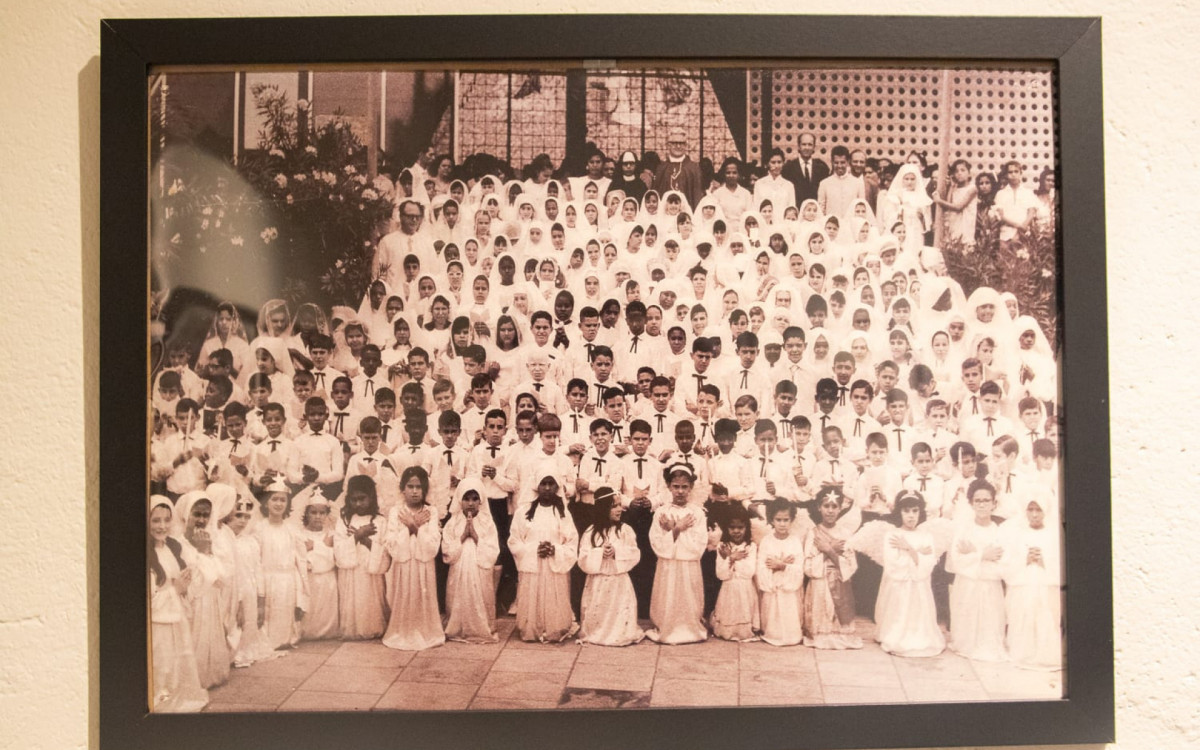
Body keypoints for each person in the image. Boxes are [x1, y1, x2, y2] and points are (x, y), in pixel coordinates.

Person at [148, 498, 209, 713]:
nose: (162, 526)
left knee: (177, 661)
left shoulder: (172, 547)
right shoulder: (146, 554)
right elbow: (150, 598)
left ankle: (175, 695)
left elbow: (180, 581)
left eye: (166, 520)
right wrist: (176, 590)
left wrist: (186, 582)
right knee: (162, 664)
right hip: (158, 623)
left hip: (176, 617)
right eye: (155, 520)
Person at [509, 475, 580, 643]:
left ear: (557, 487)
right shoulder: (523, 513)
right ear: (536, 486)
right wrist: (534, 550)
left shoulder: (563, 514)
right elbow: (514, 540)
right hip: (532, 566)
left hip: (554, 566)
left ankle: (553, 627)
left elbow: (571, 542)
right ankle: (531, 628)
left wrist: (555, 549)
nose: (547, 488)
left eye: (551, 484)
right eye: (543, 483)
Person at [382, 466, 445, 651]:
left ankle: (426, 631)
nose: (415, 491)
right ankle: (403, 631)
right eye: (410, 486)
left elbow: (433, 543)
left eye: (419, 487)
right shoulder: (396, 511)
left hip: (423, 563)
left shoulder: (431, 511)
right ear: (403, 489)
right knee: (405, 594)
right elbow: (391, 543)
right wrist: (410, 526)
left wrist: (415, 528)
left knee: (422, 594)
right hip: (404, 564)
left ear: (425, 489)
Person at [874, 492, 945, 657]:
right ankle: (895, 633)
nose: (911, 516)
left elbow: (928, 565)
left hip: (919, 587)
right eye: (907, 511)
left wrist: (908, 549)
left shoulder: (926, 536)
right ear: (900, 512)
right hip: (899, 586)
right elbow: (893, 566)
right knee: (898, 619)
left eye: (915, 511)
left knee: (921, 624)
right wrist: (917, 555)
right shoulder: (892, 535)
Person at [946, 479, 1008, 662]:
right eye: (978, 500)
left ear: (994, 504)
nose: (982, 504)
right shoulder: (964, 528)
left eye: (986, 500)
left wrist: (973, 553)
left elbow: (1000, 560)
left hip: (990, 586)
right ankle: (965, 643)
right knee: (967, 622)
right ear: (971, 503)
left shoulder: (999, 531)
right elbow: (957, 559)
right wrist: (982, 555)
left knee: (990, 624)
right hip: (968, 584)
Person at [647, 466, 709, 644]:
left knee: (688, 596)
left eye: (684, 487)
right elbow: (657, 543)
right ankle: (666, 625)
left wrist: (676, 529)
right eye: (676, 486)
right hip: (668, 566)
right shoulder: (661, 512)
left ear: (690, 488)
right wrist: (677, 530)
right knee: (668, 594)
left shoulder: (697, 513)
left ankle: (689, 626)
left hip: (688, 566)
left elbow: (698, 545)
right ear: (668, 486)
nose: (680, 491)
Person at [577, 487, 645, 646]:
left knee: (619, 611)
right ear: (603, 508)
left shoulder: (625, 530)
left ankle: (619, 631)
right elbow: (583, 557)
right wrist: (600, 553)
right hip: (598, 582)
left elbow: (634, 553)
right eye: (614, 506)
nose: (619, 509)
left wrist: (617, 552)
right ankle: (597, 631)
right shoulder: (590, 532)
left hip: (618, 581)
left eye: (620, 505)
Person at [1002, 496, 1063, 671]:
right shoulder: (1018, 534)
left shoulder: (1054, 534)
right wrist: (1025, 559)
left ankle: (1045, 655)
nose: (1034, 514)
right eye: (1031, 510)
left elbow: (1061, 562)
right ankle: (1023, 653)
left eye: (1038, 510)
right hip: (1023, 582)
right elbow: (1007, 563)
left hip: (1045, 583)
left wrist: (1044, 561)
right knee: (1024, 612)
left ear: (1046, 511)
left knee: (1045, 615)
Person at [802, 487, 863, 649]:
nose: (830, 511)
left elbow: (851, 565)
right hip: (820, 581)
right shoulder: (813, 533)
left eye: (834, 506)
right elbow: (808, 566)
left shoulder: (845, 533)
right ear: (819, 508)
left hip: (840, 580)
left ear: (840, 508)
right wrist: (827, 551)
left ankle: (840, 633)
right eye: (826, 506)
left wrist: (828, 550)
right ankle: (820, 633)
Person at [442, 479, 501, 643]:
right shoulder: (452, 522)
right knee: (458, 595)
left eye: (475, 499)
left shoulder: (487, 522)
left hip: (480, 569)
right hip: (459, 567)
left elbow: (492, 550)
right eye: (466, 499)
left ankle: (482, 627)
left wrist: (475, 536)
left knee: (481, 593)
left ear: (481, 501)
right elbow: (446, 550)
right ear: (459, 499)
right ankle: (457, 626)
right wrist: (462, 537)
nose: (470, 503)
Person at [333, 475, 390, 641]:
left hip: (370, 572)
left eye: (362, 499)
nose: (358, 504)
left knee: (370, 601)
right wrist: (356, 536)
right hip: (351, 572)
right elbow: (339, 549)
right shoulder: (343, 521)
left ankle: (373, 628)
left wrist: (365, 540)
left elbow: (385, 552)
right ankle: (352, 629)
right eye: (354, 500)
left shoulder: (380, 521)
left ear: (371, 498)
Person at [256, 480, 310, 651]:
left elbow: (300, 561)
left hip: (287, 580)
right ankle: (267, 640)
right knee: (268, 615)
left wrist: (301, 591)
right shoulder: (259, 529)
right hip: (267, 578)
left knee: (284, 611)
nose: (278, 504)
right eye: (274, 499)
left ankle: (285, 638)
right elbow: (256, 561)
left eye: (282, 500)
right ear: (266, 502)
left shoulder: (291, 529)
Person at [756, 499, 805, 646]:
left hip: (789, 589)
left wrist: (782, 565)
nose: (782, 524)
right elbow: (762, 567)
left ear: (792, 520)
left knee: (790, 608)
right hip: (773, 588)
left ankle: (792, 633)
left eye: (786, 520)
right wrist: (776, 568)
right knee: (772, 612)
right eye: (778, 520)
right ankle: (772, 632)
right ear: (771, 520)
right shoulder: (766, 541)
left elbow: (799, 568)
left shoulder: (795, 541)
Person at [709, 503, 760, 641]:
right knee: (728, 616)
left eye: (740, 527)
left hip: (745, 589)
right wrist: (731, 558)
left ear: (746, 528)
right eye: (732, 527)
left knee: (744, 614)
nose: (736, 531)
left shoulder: (751, 547)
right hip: (728, 590)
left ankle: (744, 630)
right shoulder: (722, 546)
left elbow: (749, 572)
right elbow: (721, 574)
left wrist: (732, 559)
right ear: (726, 528)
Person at [296, 493, 339, 641]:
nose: (318, 516)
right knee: (312, 609)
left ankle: (328, 632)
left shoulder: (331, 535)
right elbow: (304, 561)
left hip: (328, 579)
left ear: (327, 514)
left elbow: (332, 560)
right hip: (310, 579)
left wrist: (315, 548)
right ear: (307, 513)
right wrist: (324, 549)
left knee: (327, 608)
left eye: (322, 513)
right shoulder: (300, 535)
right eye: (313, 512)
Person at [652, 127, 703, 210]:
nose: (678, 146)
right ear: (668, 145)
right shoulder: (661, 168)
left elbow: (696, 196)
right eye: (675, 143)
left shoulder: (694, 168)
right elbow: (657, 195)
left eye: (682, 143)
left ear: (686, 145)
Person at [992, 160, 1039, 250]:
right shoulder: (1000, 193)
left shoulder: (1028, 192)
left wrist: (1022, 228)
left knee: (1022, 260)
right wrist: (1018, 226)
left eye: (1016, 171)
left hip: (1023, 234)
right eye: (1010, 172)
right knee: (1004, 261)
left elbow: (1031, 212)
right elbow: (1001, 215)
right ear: (1006, 175)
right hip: (1005, 234)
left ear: (1021, 173)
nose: (1013, 174)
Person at [934, 159, 978, 248]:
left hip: (966, 226)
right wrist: (951, 186)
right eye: (956, 171)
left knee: (965, 249)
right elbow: (949, 204)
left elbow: (958, 207)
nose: (959, 173)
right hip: (955, 225)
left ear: (969, 173)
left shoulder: (972, 189)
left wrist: (938, 200)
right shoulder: (955, 189)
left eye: (963, 170)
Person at [817, 145, 865, 219]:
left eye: (842, 162)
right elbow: (821, 209)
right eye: (836, 163)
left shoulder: (858, 183)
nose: (839, 166)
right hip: (832, 226)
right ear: (832, 162)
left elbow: (862, 207)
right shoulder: (824, 183)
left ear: (848, 162)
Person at [782, 131, 830, 205]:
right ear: (799, 146)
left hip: (816, 211)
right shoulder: (788, 168)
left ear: (814, 147)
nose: (807, 148)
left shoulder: (822, 168)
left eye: (810, 145)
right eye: (804, 144)